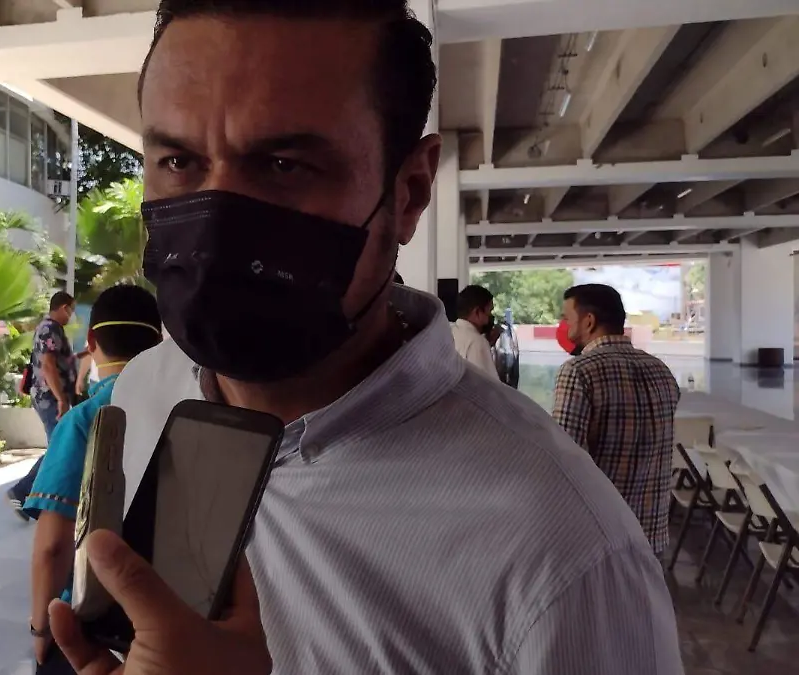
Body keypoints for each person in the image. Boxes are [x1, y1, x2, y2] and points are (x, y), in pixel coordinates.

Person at [49, 2, 684, 674]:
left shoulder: (567, 560)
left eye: (284, 165)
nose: (213, 230)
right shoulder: (148, 388)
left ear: (409, 190)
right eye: (178, 160)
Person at [24, 285, 163, 673]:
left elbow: (53, 546)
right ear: (157, 344)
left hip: (93, 626)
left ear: (91, 341)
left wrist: (41, 628)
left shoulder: (85, 419)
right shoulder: (185, 410)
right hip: (171, 615)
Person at [552, 284, 681, 559]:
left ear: (588, 321)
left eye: (567, 318)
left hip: (601, 535)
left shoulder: (578, 371)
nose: (564, 325)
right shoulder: (662, 371)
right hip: (651, 534)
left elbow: (564, 461)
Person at [7, 291, 78, 519]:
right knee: (59, 447)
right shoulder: (50, 329)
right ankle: (22, 492)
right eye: (71, 310)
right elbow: (48, 366)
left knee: (59, 446)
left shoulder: (49, 328)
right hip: (50, 398)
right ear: (64, 307)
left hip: (49, 396)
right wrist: (61, 399)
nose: (71, 315)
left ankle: (33, 495)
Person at [450, 284, 501, 380]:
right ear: (477, 312)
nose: (490, 317)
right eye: (489, 312)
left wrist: (488, 344)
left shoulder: (449, 332)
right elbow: (491, 385)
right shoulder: (477, 342)